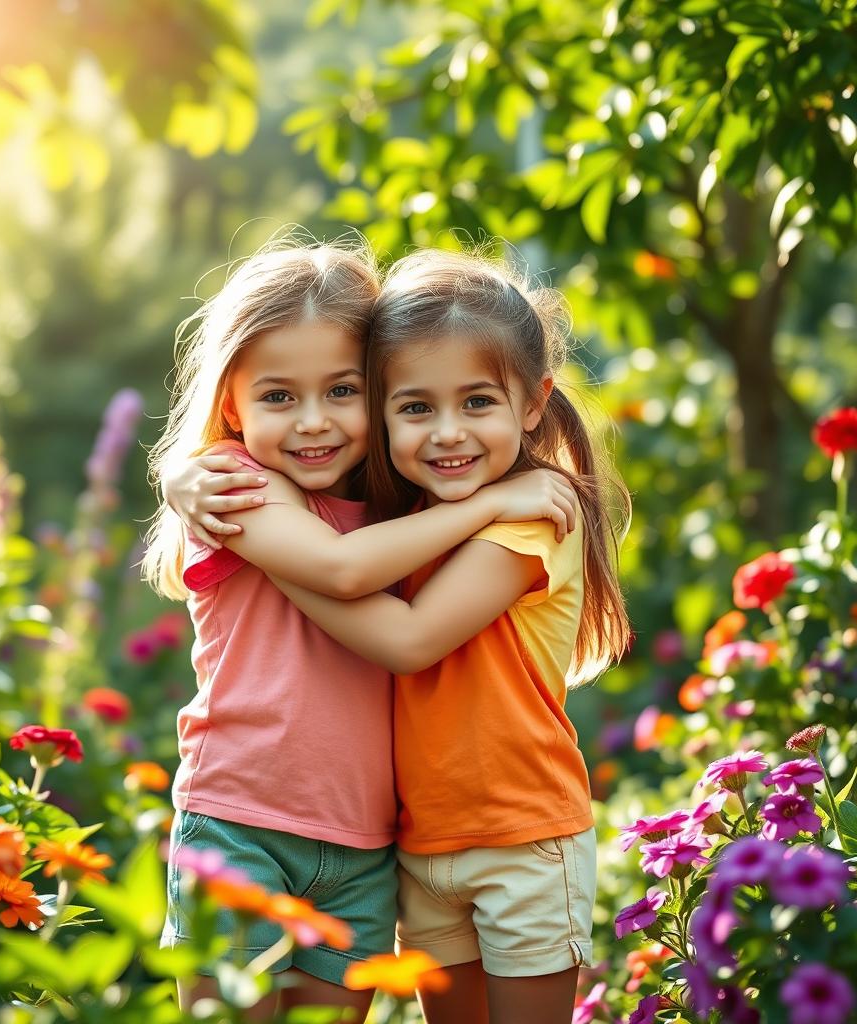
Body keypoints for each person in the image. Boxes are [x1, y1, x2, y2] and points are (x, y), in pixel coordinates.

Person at [176, 248, 631, 1024]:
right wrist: (180, 472)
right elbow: (344, 567)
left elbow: (395, 620)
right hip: (299, 827)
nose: (316, 419)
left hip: (430, 841)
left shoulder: (468, 516)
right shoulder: (268, 494)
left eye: (343, 391)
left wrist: (492, 503)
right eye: (417, 407)